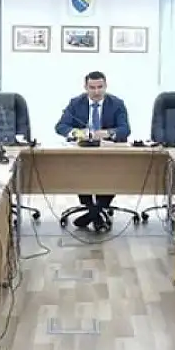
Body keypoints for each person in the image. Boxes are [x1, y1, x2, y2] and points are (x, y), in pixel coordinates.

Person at [54, 71, 131, 231]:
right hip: (83, 154)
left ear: (106, 86)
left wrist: (108, 133)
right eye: (92, 87)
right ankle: (94, 211)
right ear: (85, 87)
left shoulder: (117, 104)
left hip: (109, 155)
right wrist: (77, 132)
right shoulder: (76, 103)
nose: (96, 92)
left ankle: (93, 213)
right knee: (81, 173)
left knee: (111, 174)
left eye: (100, 87)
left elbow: (125, 129)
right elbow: (61, 126)